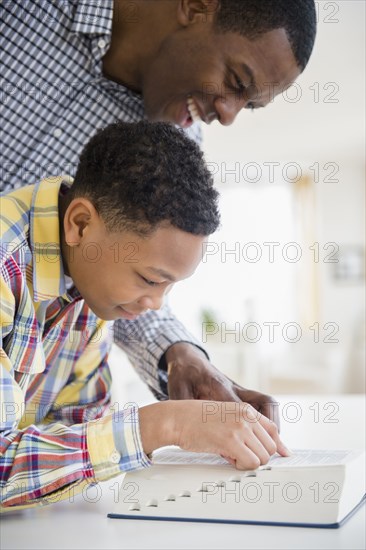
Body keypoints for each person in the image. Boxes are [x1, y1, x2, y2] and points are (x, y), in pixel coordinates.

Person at [0, 0, 317, 425]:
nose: (228, 115)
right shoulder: (25, 12)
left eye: (248, 105)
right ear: (197, 6)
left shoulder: (169, 147)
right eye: (236, 80)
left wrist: (180, 355)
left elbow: (116, 277)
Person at [0, 121, 290, 508]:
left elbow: (75, 427)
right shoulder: (8, 262)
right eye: (149, 279)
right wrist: (165, 424)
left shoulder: (90, 285)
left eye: (169, 287)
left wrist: (186, 432)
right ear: (80, 224)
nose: (155, 304)